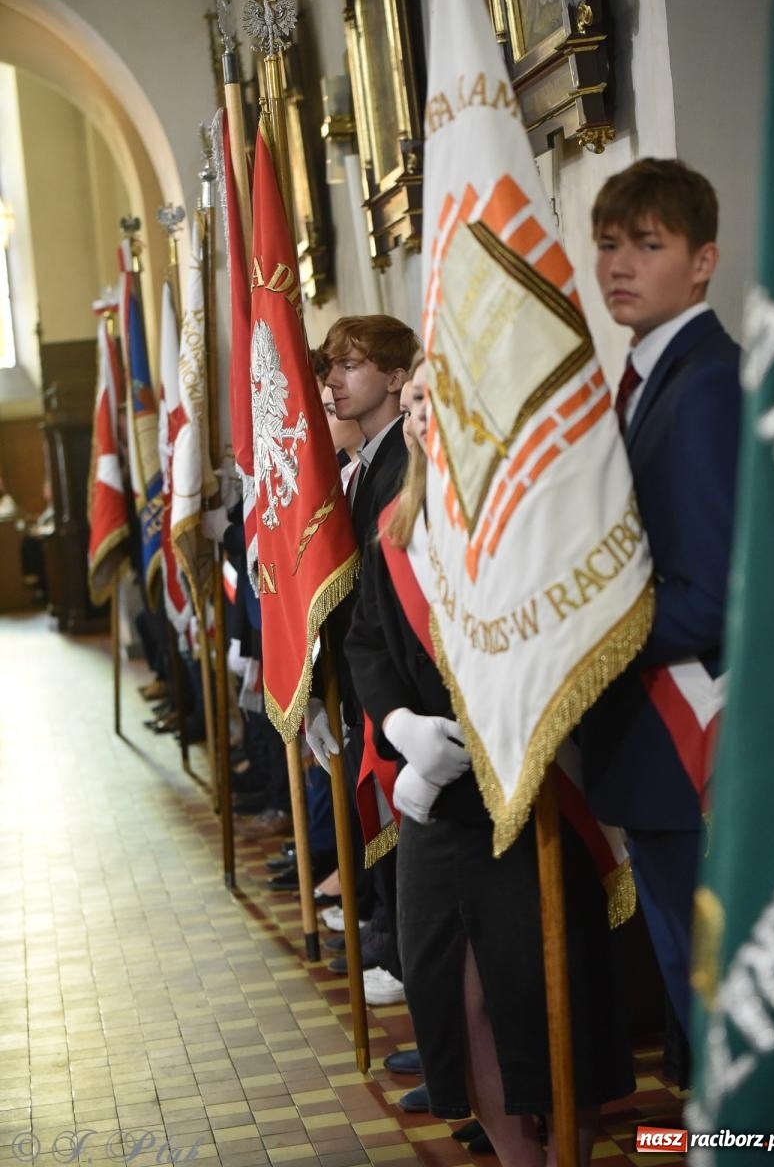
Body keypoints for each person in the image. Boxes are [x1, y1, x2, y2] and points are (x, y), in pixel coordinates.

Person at [345, 358, 634, 1166]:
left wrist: (459, 753)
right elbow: (368, 638)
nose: (421, 417)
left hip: (523, 791)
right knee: (451, 993)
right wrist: (401, 728)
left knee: (546, 1000)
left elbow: (558, 663)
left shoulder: (531, 525)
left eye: (439, 402)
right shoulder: (399, 525)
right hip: (436, 808)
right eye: (412, 404)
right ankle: (516, 1158)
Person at [581, 158, 742, 1043]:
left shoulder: (708, 383)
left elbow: (714, 595)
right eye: (608, 244)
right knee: (689, 997)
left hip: (690, 743)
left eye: (648, 245)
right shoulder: (650, 379)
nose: (619, 266)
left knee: (711, 997)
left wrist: (580, 638)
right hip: (650, 749)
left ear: (703, 259)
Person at [303, 314, 419, 1004]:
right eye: (331, 366)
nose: (333, 382)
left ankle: (410, 970)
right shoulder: (374, 462)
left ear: (397, 376)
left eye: (351, 365)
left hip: (402, 694)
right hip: (369, 683)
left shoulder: (401, 462)